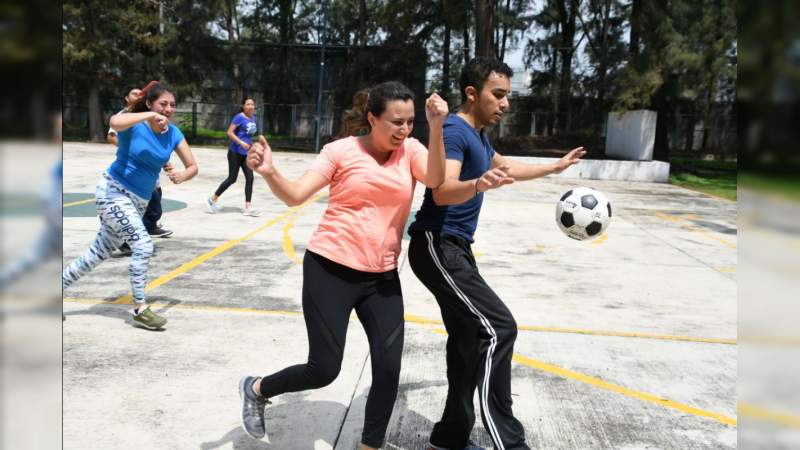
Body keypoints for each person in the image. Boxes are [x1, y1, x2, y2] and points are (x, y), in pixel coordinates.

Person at [238, 82, 449, 449]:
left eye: (410, 122)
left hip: (381, 278)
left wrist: (435, 126)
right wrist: (271, 172)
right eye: (396, 122)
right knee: (324, 369)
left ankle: (369, 446)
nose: (404, 130)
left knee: (387, 369)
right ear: (372, 118)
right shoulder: (339, 152)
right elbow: (295, 196)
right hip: (329, 270)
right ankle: (257, 388)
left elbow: (435, 179)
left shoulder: (412, 150)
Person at [407, 58, 586, 450]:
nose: (505, 103)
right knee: (499, 327)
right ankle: (509, 441)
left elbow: (506, 168)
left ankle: (450, 435)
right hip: (437, 242)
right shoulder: (455, 130)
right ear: (473, 93)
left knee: (468, 339)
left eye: (508, 95)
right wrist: (478, 184)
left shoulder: (480, 136)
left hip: (454, 248)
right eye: (498, 94)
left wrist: (554, 168)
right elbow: (443, 189)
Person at [62, 82, 198, 330]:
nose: (168, 109)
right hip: (113, 193)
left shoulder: (174, 133)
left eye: (172, 105)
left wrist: (182, 175)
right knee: (144, 245)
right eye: (162, 104)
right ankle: (139, 308)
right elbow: (114, 122)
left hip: (138, 202)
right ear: (149, 104)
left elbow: (193, 166)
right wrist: (148, 116)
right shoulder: (133, 124)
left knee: (96, 254)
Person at [108, 85, 172, 259]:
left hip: (149, 174)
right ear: (126, 98)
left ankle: (143, 231)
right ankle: (123, 240)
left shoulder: (154, 118)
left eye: (140, 93)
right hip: (127, 174)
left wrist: (165, 162)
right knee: (126, 209)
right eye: (134, 93)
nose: (138, 95)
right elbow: (112, 133)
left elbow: (159, 143)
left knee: (152, 205)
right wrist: (128, 147)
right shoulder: (125, 116)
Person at [207, 98, 263, 216]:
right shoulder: (239, 117)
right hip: (235, 152)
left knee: (250, 177)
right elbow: (229, 132)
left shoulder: (253, 119)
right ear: (243, 106)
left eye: (252, 104)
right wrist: (241, 143)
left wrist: (253, 147)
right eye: (248, 104)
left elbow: (248, 136)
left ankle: (247, 208)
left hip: (246, 154)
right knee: (232, 179)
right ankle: (212, 199)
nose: (250, 106)